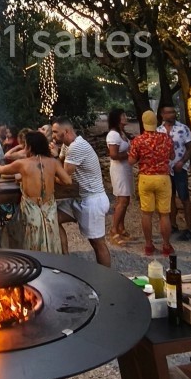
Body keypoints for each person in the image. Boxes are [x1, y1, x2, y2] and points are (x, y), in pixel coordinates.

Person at [0, 130, 72, 254]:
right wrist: (50, 176)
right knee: (52, 237)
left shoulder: (22, 164)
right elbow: (67, 181)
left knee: (16, 232)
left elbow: (1, 170)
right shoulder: (53, 162)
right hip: (49, 208)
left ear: (30, 146)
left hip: (31, 209)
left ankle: (31, 264)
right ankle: (53, 264)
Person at [51, 118, 111, 267]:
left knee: (97, 243)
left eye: (55, 132)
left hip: (93, 200)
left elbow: (64, 177)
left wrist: (50, 165)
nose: (52, 135)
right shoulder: (67, 145)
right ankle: (66, 259)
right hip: (78, 198)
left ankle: (107, 277)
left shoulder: (77, 147)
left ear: (66, 132)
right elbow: (59, 165)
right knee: (53, 218)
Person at [128, 110, 175, 257]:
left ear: (143, 123)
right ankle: (166, 246)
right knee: (164, 214)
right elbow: (172, 156)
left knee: (146, 213)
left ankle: (148, 245)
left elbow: (131, 161)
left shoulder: (138, 140)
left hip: (146, 178)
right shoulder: (166, 138)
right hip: (163, 178)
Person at [157, 103, 191, 238]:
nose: (171, 115)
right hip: (165, 170)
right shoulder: (158, 131)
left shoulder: (183, 129)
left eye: (173, 112)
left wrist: (182, 162)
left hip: (180, 168)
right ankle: (173, 225)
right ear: (162, 115)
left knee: (184, 197)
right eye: (168, 112)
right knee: (170, 198)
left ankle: (189, 228)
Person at [106, 107, 134, 245]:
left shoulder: (121, 133)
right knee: (122, 201)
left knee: (126, 200)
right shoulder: (113, 135)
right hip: (119, 170)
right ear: (117, 119)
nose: (126, 117)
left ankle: (121, 227)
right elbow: (114, 154)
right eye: (123, 115)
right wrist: (130, 155)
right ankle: (114, 230)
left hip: (126, 168)